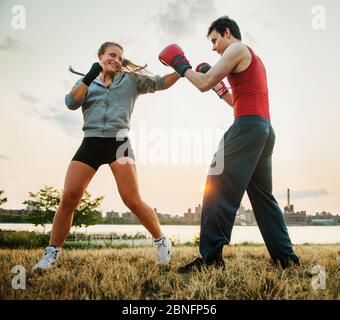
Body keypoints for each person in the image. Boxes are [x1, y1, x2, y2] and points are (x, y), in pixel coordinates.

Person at [159, 16, 300, 272]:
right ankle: (286, 259)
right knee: (263, 198)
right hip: (264, 129)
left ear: (227, 33)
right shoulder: (252, 58)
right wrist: (221, 90)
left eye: (215, 40)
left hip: (247, 127)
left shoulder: (237, 48)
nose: (214, 48)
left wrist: (180, 64)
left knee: (217, 182)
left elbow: (202, 83)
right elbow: (237, 101)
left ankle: (211, 259)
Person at [33, 42, 180, 271]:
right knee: (70, 196)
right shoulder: (87, 81)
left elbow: (161, 83)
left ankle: (162, 241)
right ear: (100, 56)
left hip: (118, 142)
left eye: (120, 57)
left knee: (131, 199)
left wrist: (183, 69)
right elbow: (72, 102)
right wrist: (90, 76)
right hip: (91, 142)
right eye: (112, 55)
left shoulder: (130, 81)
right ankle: (51, 254)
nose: (117, 60)